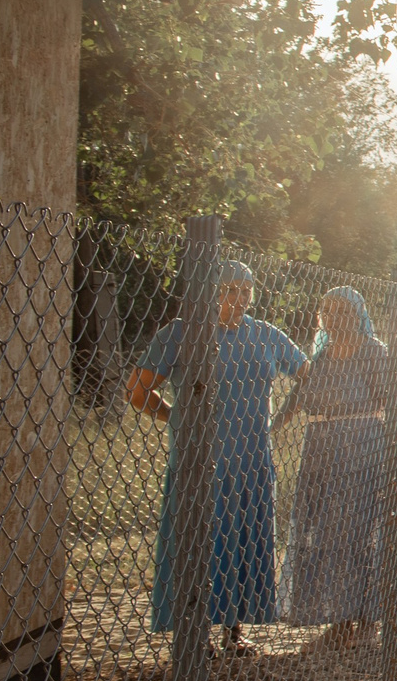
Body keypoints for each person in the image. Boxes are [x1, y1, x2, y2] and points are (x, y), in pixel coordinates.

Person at [128, 260, 307, 652]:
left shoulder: (265, 335)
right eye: (229, 290)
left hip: (252, 460)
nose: (238, 299)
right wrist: (177, 418)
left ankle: (234, 630)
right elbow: (138, 392)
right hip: (200, 460)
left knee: (244, 538)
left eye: (246, 290)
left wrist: (282, 418)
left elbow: (308, 374)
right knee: (198, 540)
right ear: (208, 291)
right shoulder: (180, 334)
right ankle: (192, 635)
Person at [274, 287, 393, 637]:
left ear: (358, 314)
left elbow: (388, 401)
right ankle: (333, 615)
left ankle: (364, 614)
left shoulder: (374, 352)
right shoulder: (320, 356)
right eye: (327, 310)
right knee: (322, 531)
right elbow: (295, 400)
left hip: (361, 444)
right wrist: (267, 429)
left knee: (358, 530)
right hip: (320, 449)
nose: (333, 317)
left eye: (342, 310)